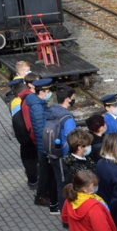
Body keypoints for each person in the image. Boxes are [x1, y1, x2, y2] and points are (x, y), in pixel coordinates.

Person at [27, 78, 58, 213]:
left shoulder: (39, 103)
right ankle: (40, 196)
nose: (49, 93)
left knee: (46, 171)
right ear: (41, 92)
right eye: (48, 91)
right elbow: (41, 130)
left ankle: (45, 193)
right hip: (44, 145)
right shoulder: (37, 107)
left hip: (43, 144)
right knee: (45, 172)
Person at [47, 85, 78, 213]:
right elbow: (73, 141)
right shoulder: (67, 119)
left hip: (53, 153)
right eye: (73, 97)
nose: (74, 100)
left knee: (59, 183)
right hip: (64, 158)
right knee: (65, 186)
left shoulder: (52, 111)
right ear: (67, 99)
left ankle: (60, 209)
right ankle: (66, 214)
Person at [11, 74, 38, 189]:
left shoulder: (16, 102)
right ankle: (34, 180)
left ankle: (32, 179)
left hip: (24, 138)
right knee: (31, 160)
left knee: (28, 159)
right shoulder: (22, 104)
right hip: (28, 138)